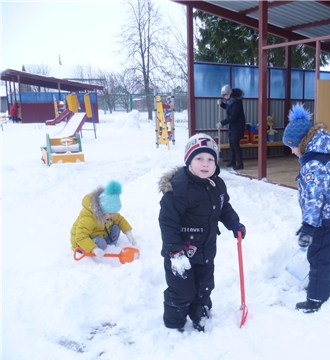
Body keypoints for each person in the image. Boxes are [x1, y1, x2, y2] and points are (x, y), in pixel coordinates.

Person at [158, 133, 246, 332]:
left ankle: (200, 312)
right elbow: (168, 222)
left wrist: (233, 223)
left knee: (205, 286)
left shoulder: (217, 184)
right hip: (181, 252)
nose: (205, 164)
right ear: (189, 160)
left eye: (210, 159)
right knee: (181, 290)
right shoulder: (178, 188)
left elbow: (224, 207)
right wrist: (174, 252)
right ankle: (174, 322)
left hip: (206, 249)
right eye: (199, 159)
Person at [282, 104, 330, 313]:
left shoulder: (313, 165)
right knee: (323, 253)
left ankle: (316, 297)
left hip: (325, 218)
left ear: (302, 143)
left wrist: (308, 227)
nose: (291, 151)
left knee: (317, 256)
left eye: (292, 146)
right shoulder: (321, 156)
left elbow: (314, 199)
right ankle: (326, 283)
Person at [70, 180, 137, 257]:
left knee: (115, 228)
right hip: (82, 242)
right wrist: (93, 248)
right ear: (102, 210)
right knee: (100, 243)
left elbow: (120, 219)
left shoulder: (107, 213)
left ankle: (110, 247)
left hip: (100, 234)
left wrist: (128, 232)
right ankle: (97, 248)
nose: (113, 215)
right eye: (110, 213)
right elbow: (80, 237)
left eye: (114, 213)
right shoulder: (88, 218)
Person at [217, 84, 246, 170]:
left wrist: (222, 123)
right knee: (231, 143)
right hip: (232, 126)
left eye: (226, 95)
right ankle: (232, 161)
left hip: (238, 126)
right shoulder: (230, 101)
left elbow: (233, 116)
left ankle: (240, 163)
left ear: (230, 93)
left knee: (235, 144)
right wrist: (222, 104)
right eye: (224, 95)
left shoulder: (237, 102)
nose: (225, 97)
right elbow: (228, 108)